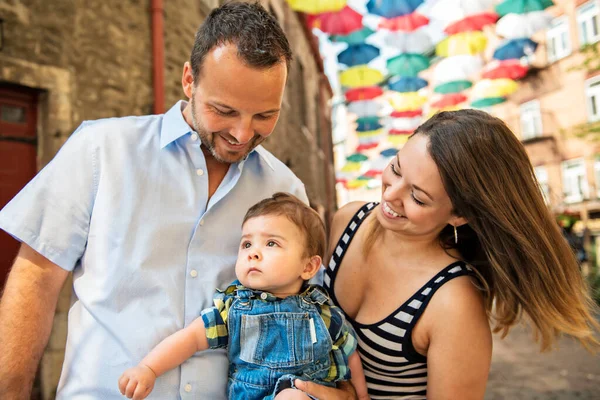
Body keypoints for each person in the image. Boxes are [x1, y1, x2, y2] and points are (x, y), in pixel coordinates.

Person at [0, 3, 354, 399]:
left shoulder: (286, 189)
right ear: (189, 79)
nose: (241, 133)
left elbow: (311, 316)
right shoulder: (101, 149)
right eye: (224, 110)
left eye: (263, 116)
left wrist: (338, 393)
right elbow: (37, 278)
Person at [322, 109, 600, 399]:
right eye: (396, 168)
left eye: (417, 196)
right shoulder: (347, 221)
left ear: (459, 215)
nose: (391, 195)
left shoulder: (453, 301)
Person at [117, 193, 369, 400]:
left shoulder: (322, 312)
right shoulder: (235, 307)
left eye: (271, 243)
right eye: (247, 244)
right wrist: (148, 368)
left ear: (308, 267)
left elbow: (350, 353)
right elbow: (191, 338)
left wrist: (361, 397)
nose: (253, 253)